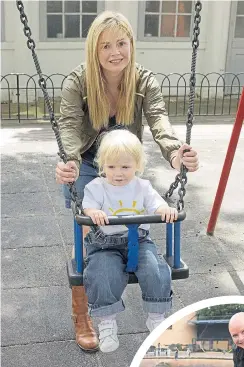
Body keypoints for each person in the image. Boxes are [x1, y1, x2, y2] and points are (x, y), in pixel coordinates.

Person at [55, 10, 199, 352]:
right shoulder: (78, 82)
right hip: (88, 163)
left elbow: (160, 121)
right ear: (94, 49)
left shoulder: (144, 81)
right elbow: (70, 126)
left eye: (121, 43)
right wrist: (69, 162)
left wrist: (177, 153)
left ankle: (150, 310)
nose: (115, 52)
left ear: (131, 44)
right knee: (89, 236)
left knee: (132, 217)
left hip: (121, 162)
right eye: (106, 45)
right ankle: (84, 313)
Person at [82, 129, 177, 353]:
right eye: (111, 167)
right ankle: (107, 322)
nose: (118, 173)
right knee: (101, 273)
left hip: (140, 242)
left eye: (125, 167)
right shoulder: (95, 187)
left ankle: (156, 317)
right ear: (102, 165)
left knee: (156, 269)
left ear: (137, 165)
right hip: (105, 244)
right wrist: (93, 212)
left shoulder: (143, 187)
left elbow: (157, 204)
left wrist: (165, 209)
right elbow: (89, 205)